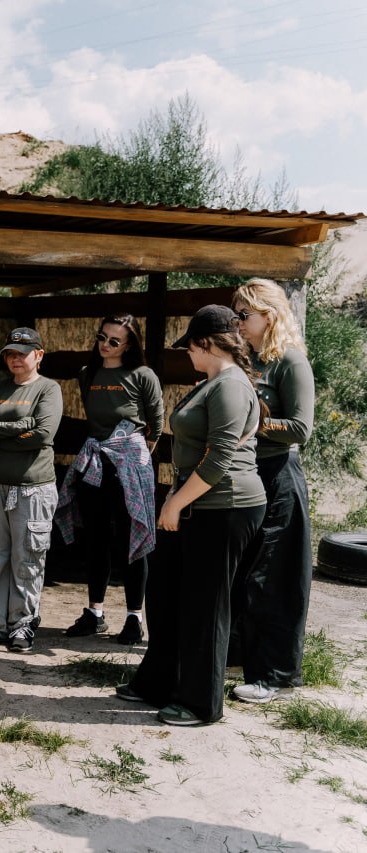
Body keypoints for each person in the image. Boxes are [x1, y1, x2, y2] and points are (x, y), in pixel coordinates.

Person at [122, 305, 266, 727]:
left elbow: (219, 458)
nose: (187, 354)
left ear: (204, 344)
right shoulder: (212, 383)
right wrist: (177, 494)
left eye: (189, 347)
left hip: (226, 506)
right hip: (196, 500)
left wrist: (174, 503)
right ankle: (159, 681)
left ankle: (201, 704)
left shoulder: (230, 386)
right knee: (165, 594)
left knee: (206, 605)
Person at [230, 280, 315, 704]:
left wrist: (249, 423)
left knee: (272, 578)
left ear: (270, 316)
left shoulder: (290, 361)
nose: (238, 322)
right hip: (245, 474)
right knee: (242, 572)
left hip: (279, 475)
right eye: (236, 315)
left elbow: (301, 428)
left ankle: (274, 675)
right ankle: (238, 657)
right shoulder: (244, 359)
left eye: (244, 315)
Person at [61, 314, 163, 645]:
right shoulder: (87, 373)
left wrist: (132, 456)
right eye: (101, 337)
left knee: (133, 538)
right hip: (95, 461)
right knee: (96, 538)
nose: (105, 344)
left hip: (129, 463)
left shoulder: (143, 375)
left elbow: (156, 425)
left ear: (129, 345)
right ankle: (95, 613)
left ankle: (134, 618)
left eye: (114, 341)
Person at [0, 327, 63, 653]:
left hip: (33, 487)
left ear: (39, 355)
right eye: (10, 354)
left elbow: (43, 434)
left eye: (22, 353)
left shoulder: (48, 389)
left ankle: (22, 624)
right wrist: (20, 427)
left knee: (28, 556)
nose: (15, 359)